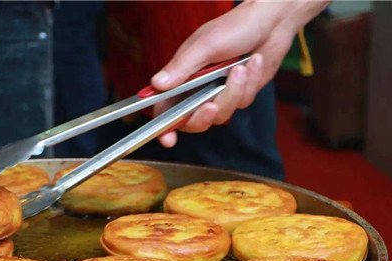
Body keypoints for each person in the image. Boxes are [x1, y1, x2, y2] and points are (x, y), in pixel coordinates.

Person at [53, 1, 328, 180]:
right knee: (122, 180)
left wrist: (277, 13)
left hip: (217, 21)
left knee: (235, 171)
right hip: (136, 27)